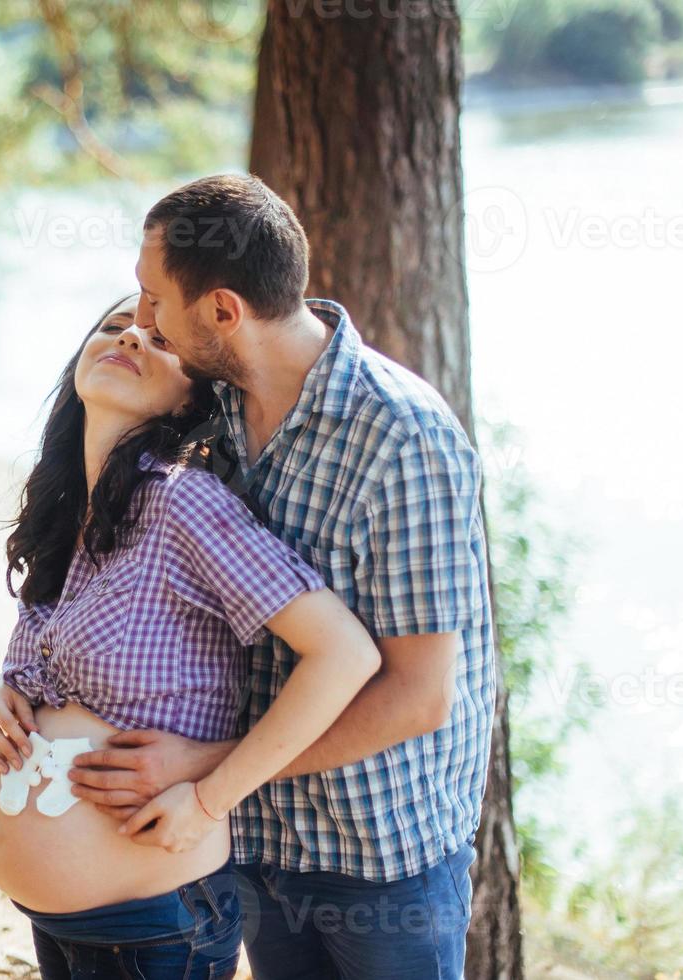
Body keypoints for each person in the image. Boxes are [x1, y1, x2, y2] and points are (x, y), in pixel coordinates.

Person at [65, 173, 497, 979]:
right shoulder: (205, 414)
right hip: (254, 838)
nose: (142, 320)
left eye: (153, 299)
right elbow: (120, 585)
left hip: (378, 856)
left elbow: (418, 695)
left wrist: (206, 774)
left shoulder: (402, 438)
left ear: (222, 310)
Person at [0, 294, 382, 979]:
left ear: (188, 403)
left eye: (158, 340)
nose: (130, 336)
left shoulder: (181, 499)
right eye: (112, 327)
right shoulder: (65, 507)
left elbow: (344, 653)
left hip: (153, 927)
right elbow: (59, 666)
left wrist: (209, 796)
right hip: (60, 918)